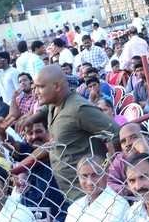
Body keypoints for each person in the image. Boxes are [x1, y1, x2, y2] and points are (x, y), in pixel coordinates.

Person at [19, 64, 120, 201]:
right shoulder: (54, 104)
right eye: (34, 87)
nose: (35, 91)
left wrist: (107, 167)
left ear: (57, 86)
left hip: (87, 192)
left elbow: (116, 133)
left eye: (40, 87)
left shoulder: (78, 109)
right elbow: (45, 110)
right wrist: (30, 120)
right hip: (69, 192)